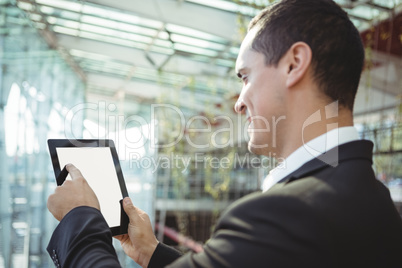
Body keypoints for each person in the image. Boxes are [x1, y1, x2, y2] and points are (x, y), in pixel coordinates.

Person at [47, 0, 402, 267]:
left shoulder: (286, 213)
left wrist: (81, 216)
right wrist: (152, 253)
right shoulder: (375, 200)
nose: (239, 102)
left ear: (294, 64)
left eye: (246, 76)